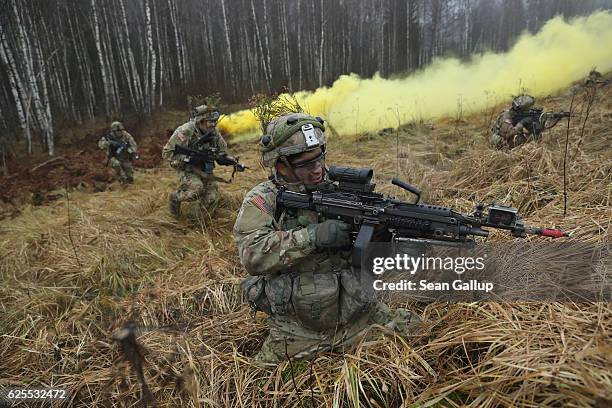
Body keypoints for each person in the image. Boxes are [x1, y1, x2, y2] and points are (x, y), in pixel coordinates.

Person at [233, 113, 420, 367]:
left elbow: (372, 259)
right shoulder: (264, 199)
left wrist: (382, 239)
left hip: (359, 314)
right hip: (296, 329)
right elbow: (252, 254)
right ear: (280, 165)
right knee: (262, 381)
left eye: (320, 157)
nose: (318, 168)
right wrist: (313, 236)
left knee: (420, 334)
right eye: (306, 163)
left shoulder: (342, 187)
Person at [162, 105, 238, 217]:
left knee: (212, 198)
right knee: (196, 190)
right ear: (200, 121)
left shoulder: (214, 132)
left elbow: (222, 151)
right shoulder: (186, 131)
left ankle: (195, 221)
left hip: (205, 169)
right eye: (209, 121)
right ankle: (174, 198)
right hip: (186, 169)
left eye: (214, 121)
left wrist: (230, 160)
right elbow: (166, 153)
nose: (213, 124)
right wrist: (189, 158)